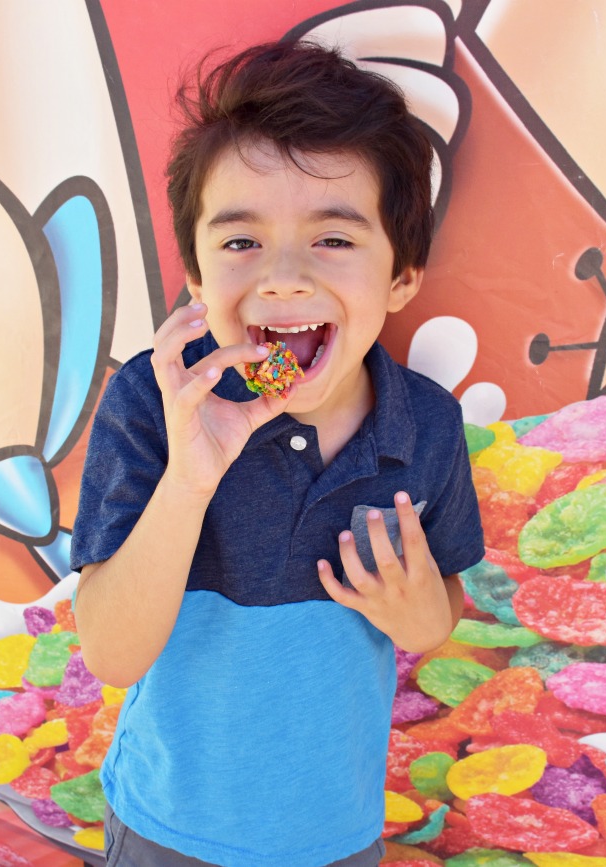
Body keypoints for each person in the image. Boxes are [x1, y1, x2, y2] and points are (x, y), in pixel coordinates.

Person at [71, 39, 484, 867]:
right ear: (194, 274)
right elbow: (112, 655)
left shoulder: (428, 429)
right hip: (164, 828)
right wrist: (190, 478)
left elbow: (444, 610)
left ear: (401, 277)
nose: (284, 276)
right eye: (240, 242)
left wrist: (419, 618)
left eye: (334, 239)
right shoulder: (150, 405)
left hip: (337, 835)